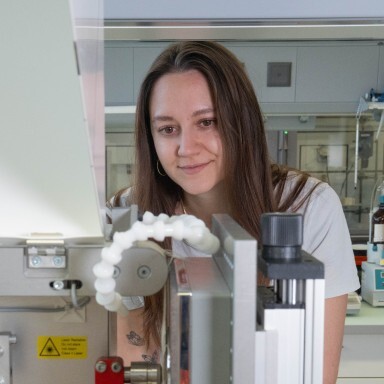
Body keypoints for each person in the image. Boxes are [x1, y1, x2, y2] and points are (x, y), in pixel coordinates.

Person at [109, 40, 360, 383]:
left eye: (207, 122)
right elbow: (132, 354)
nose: (186, 148)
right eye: (168, 129)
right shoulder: (130, 215)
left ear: (241, 124)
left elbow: (316, 374)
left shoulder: (309, 206)